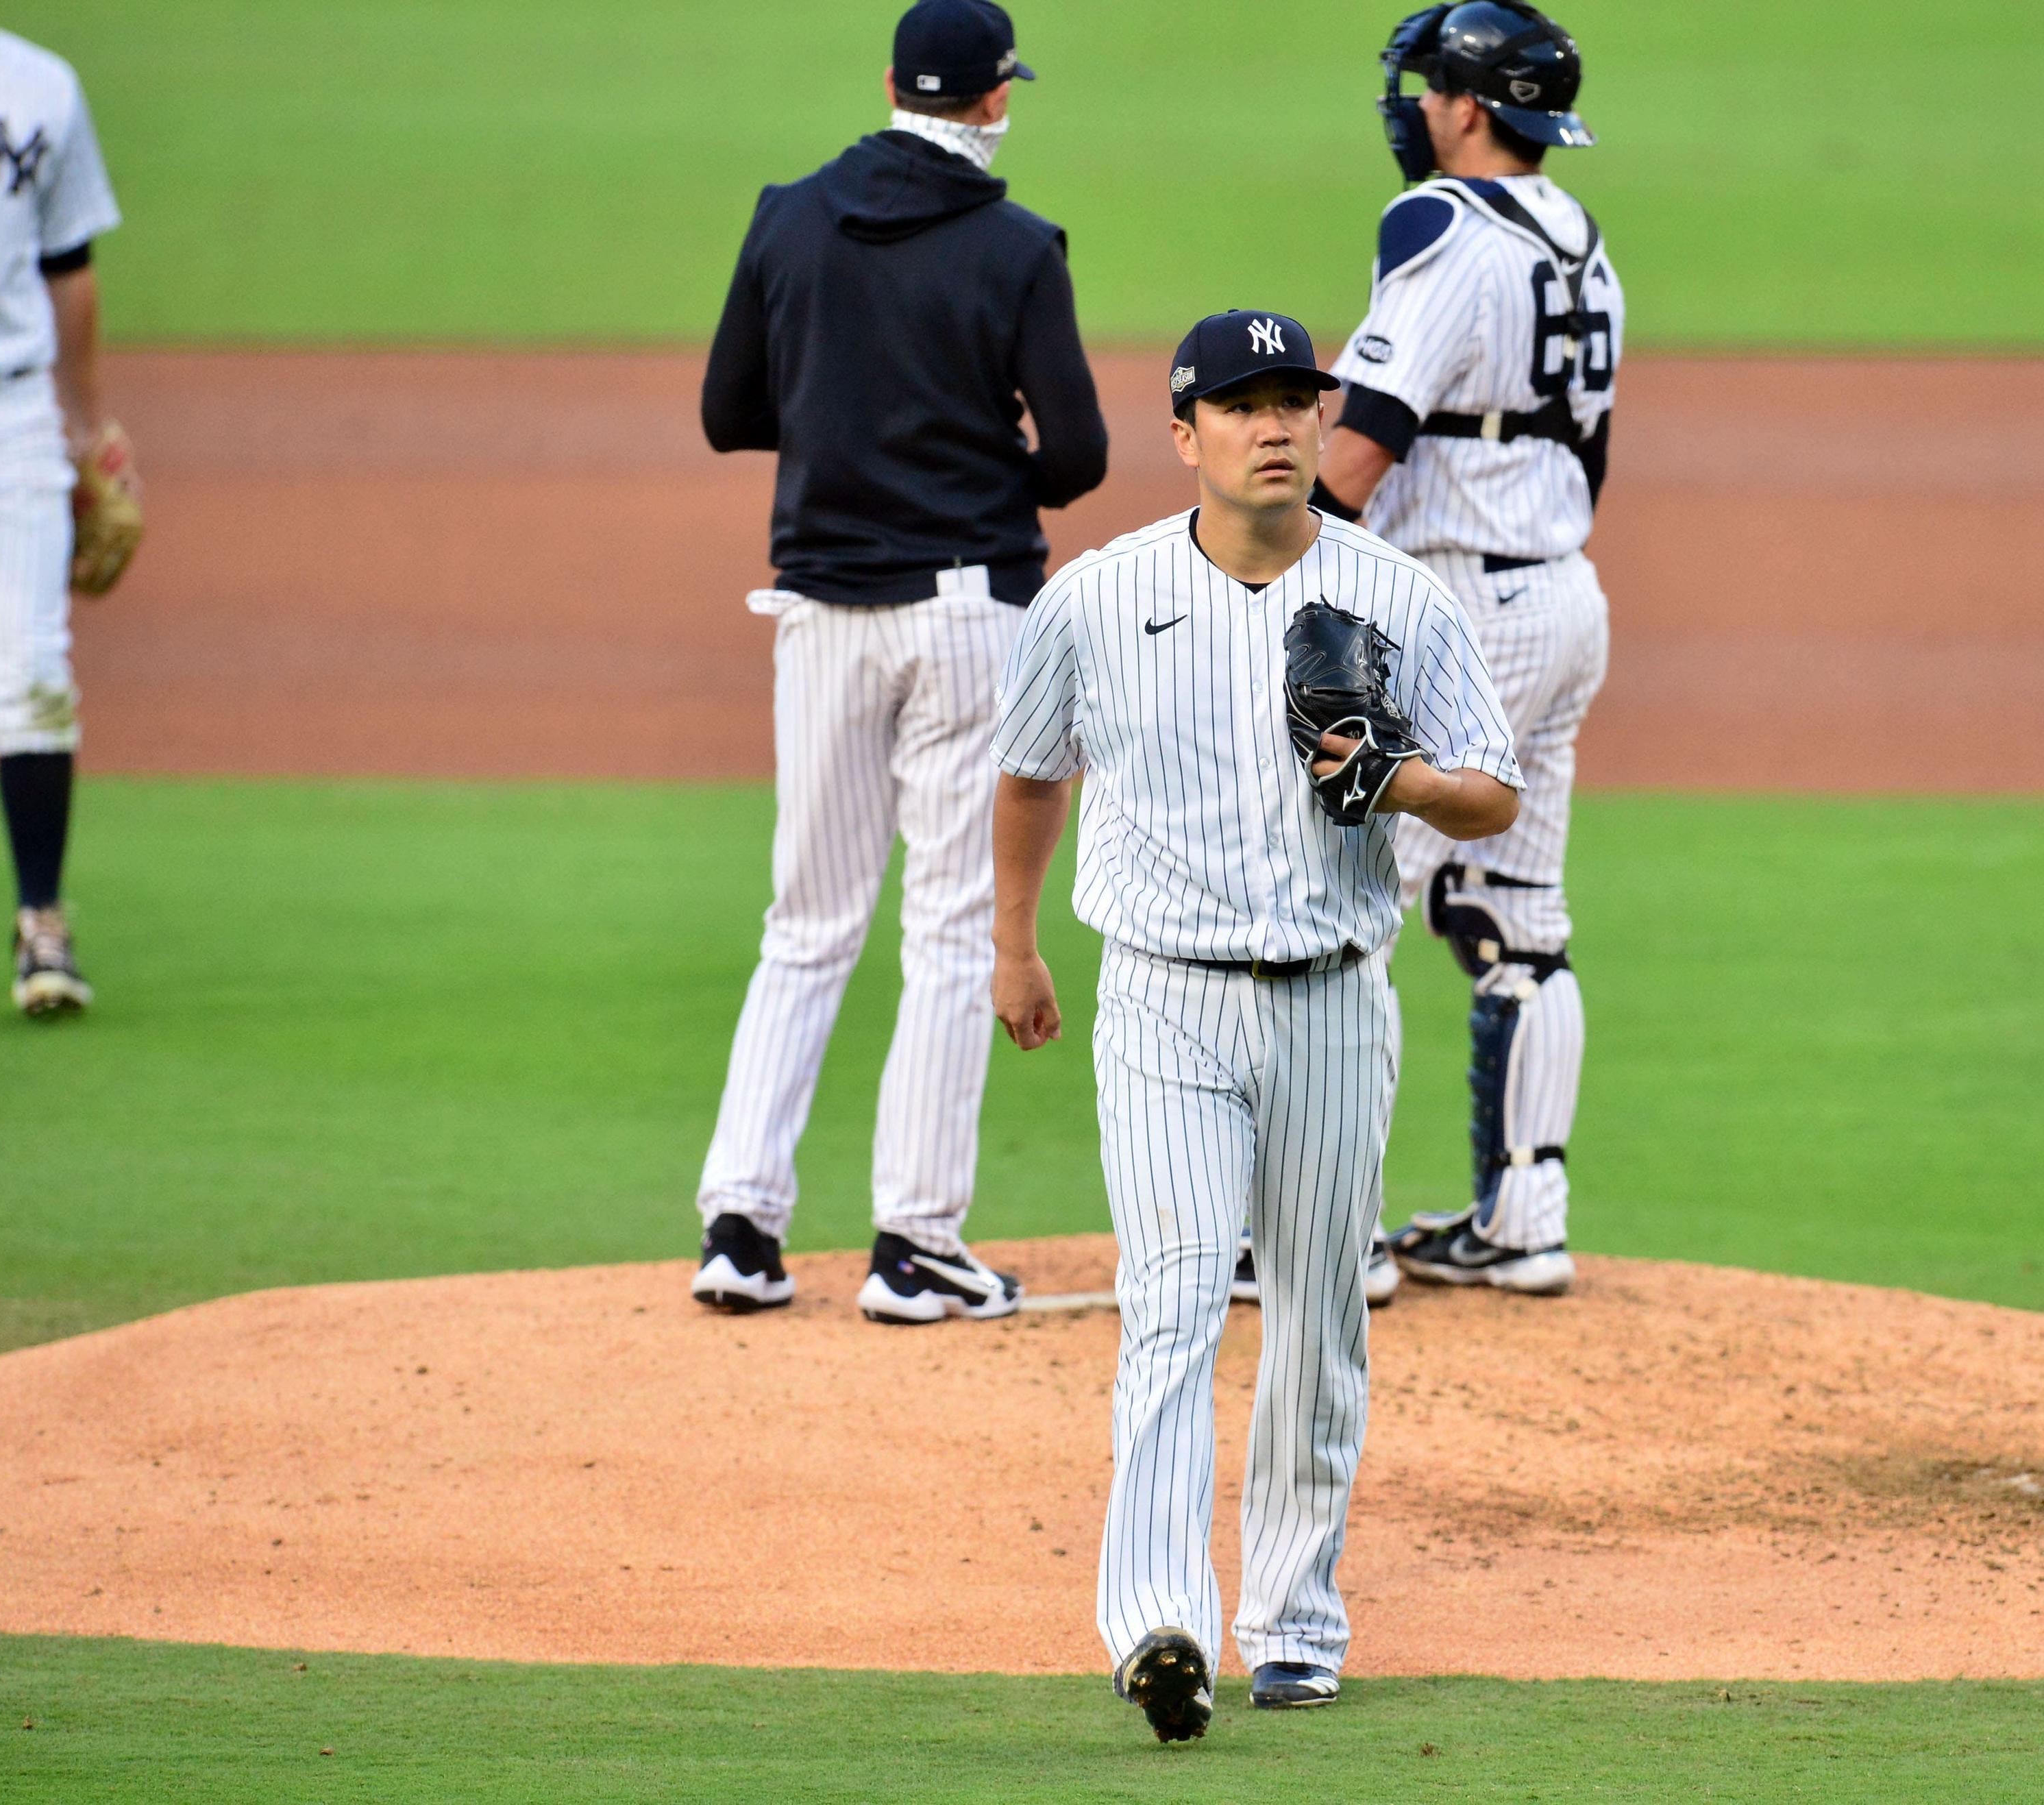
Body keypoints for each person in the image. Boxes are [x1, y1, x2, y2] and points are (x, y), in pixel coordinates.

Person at [989, 310, 1520, 1739]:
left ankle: (1295, 1625)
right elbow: (1032, 773)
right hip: (1163, 998)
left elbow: (1496, 788)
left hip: (1337, 1003)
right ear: (1186, 435)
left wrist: (1396, 781)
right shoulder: (1096, 600)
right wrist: (1012, 945)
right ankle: (1162, 1623)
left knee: (1317, 1325)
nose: (1277, 425)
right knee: (1170, 1303)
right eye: (1243, 404)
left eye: (1297, 400)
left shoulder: (1396, 596)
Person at [688, 0, 1107, 1323]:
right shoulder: (1016, 247)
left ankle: (741, 1228)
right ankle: (916, 1243)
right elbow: (1081, 457)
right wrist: (982, 451)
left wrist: (845, 430)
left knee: (804, 922)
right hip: (966, 610)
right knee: (946, 927)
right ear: (991, 101)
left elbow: (726, 414)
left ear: (888, 87)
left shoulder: (787, 215)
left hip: (814, 609)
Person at [1295, 1, 1623, 1296]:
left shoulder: (1438, 222)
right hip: (1563, 597)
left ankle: (1338, 1236)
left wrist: (1270, 578)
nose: (1413, 106)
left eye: (1429, 87)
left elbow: (1363, 439)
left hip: (1462, 612)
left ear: (1469, 108)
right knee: (1516, 917)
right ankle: (1524, 1218)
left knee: (1344, 908)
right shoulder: (1581, 238)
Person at [0, 0, 129, 1015]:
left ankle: (41, 923)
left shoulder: (45, 88)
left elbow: (72, 267)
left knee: (33, 673)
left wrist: (90, 429)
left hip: (8, 413)